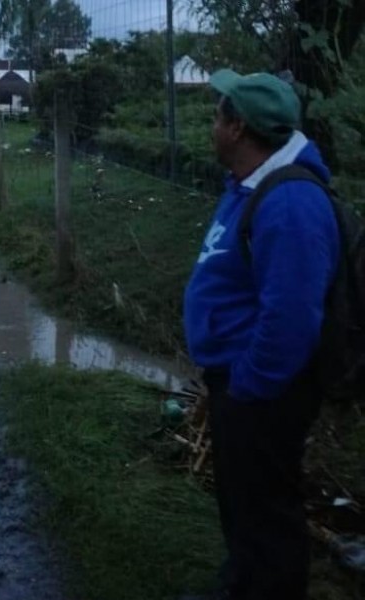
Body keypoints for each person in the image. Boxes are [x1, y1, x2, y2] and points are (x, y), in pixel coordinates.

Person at [182, 69, 340, 600]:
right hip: (242, 385)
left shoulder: (291, 203)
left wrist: (247, 386)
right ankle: (240, 586)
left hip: (264, 391)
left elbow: (292, 320)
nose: (211, 124)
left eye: (217, 115)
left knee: (267, 513)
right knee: (245, 504)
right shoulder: (251, 185)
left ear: (238, 128)